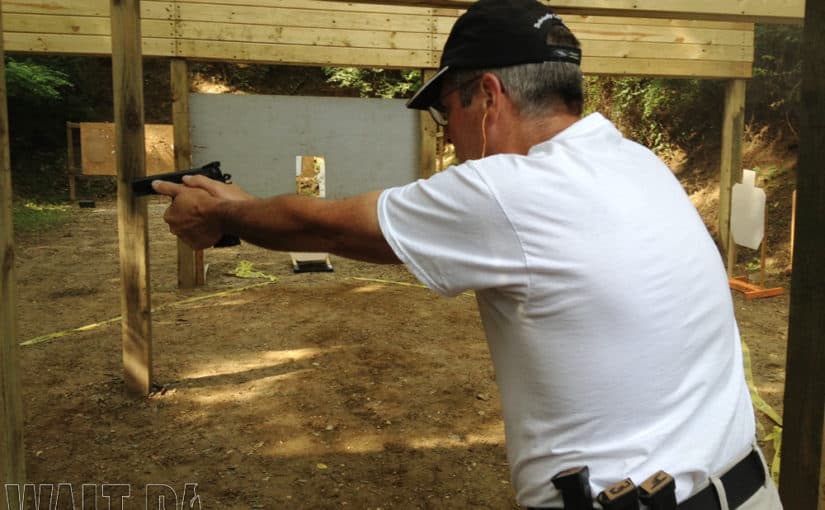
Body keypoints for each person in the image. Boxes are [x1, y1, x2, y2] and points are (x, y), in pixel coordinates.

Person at [153, 0, 782, 508]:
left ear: (487, 96)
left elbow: (326, 228)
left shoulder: (512, 191)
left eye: (445, 112)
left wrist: (225, 211)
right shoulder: (635, 161)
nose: (448, 135)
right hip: (747, 489)